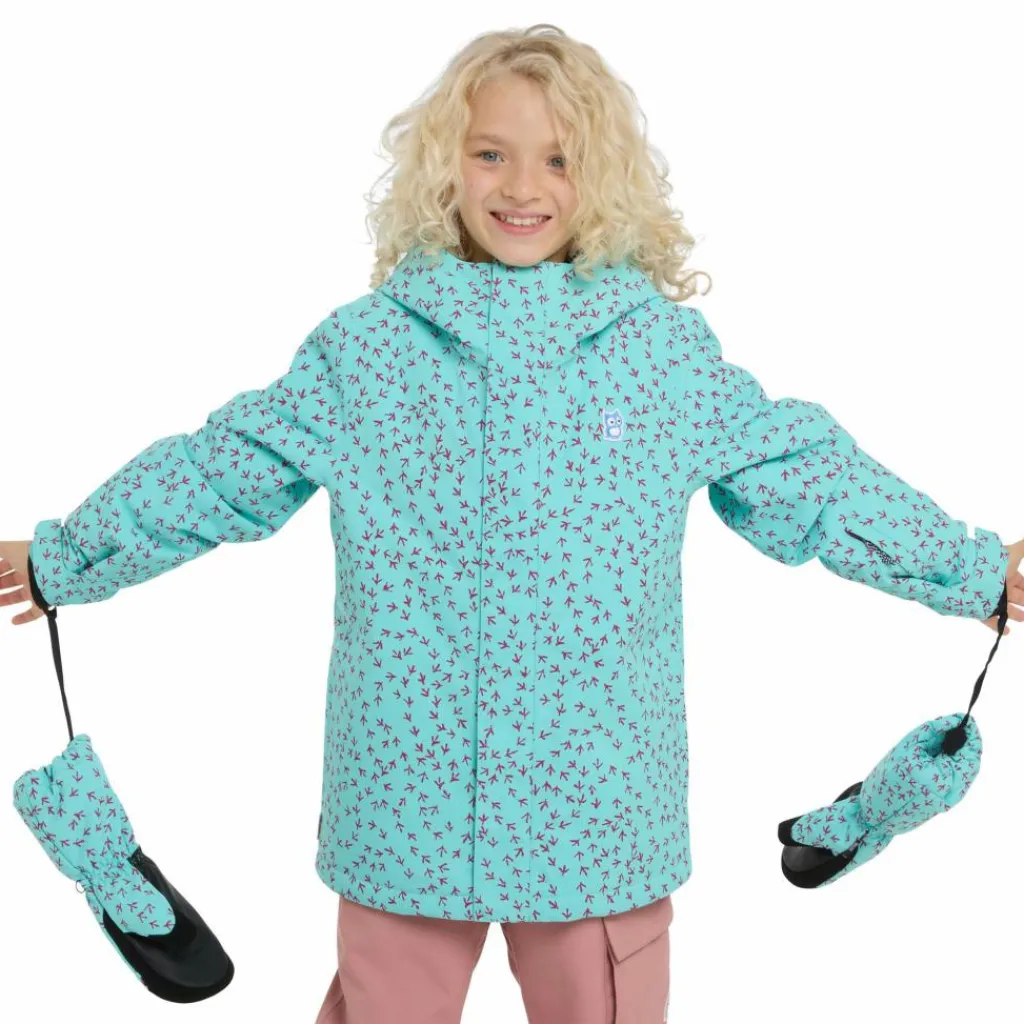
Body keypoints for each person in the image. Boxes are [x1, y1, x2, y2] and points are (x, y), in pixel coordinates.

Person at [2, 22, 1022, 1024]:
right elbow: (220, 470)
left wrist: (969, 572)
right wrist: (67, 558)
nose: (522, 186)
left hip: (595, 806)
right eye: (490, 153)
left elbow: (810, 478)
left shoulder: (658, 357)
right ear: (442, 166)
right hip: (408, 800)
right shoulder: (369, 353)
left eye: (559, 159)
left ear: (604, 177)